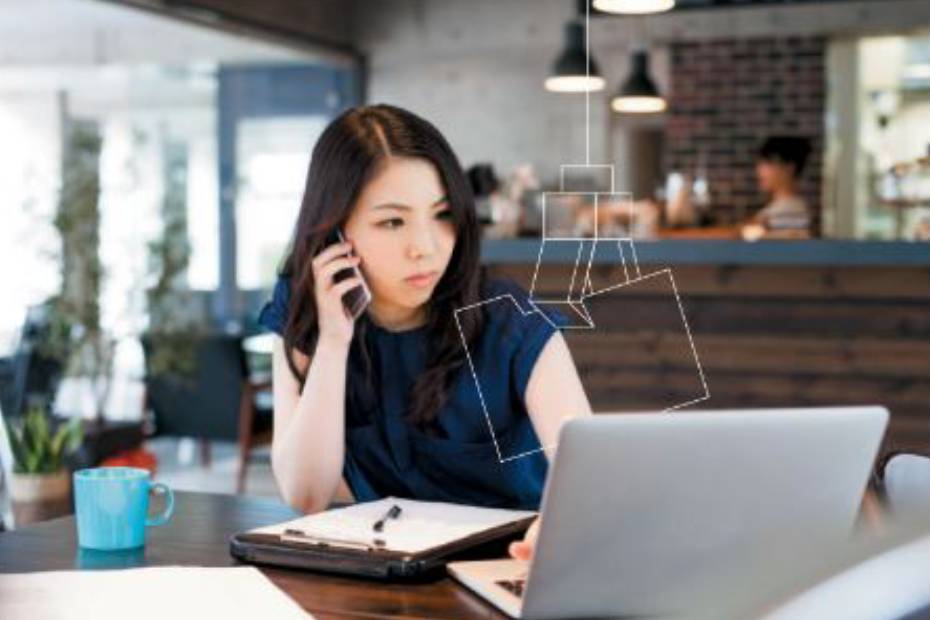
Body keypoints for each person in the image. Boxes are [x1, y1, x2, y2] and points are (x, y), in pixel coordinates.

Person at [257, 104, 592, 562]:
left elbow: (593, 481)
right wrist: (335, 341)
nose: (426, 248)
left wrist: (557, 527)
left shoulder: (510, 321)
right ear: (335, 232)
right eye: (392, 221)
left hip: (510, 569)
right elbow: (307, 494)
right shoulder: (309, 313)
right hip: (381, 580)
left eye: (442, 214)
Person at [743, 136, 813, 240]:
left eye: (768, 163)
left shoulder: (791, 210)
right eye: (760, 164)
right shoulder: (781, 207)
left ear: (789, 167)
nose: (759, 170)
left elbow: (743, 234)